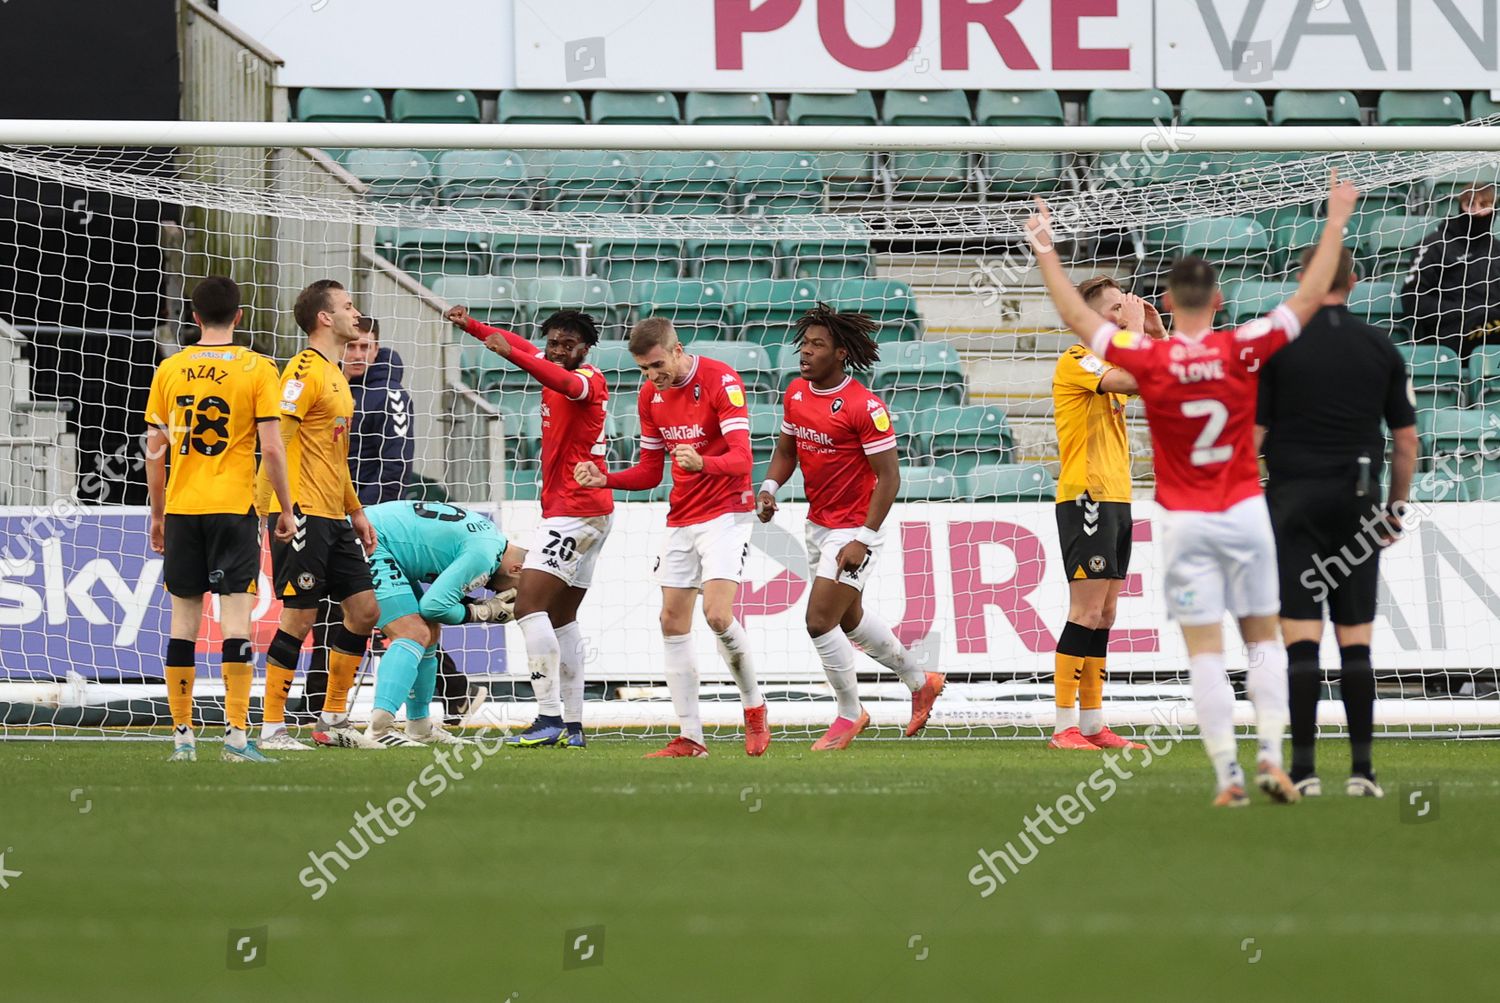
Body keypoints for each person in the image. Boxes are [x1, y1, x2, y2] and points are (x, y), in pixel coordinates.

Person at [1025, 169, 1359, 807]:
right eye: (1119, 306)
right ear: (1218, 302)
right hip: (1202, 505)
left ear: (1168, 302)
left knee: (1169, 636)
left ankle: (1208, 766)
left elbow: (1080, 317)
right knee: (1259, 639)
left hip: (1170, 513)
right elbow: (1309, 298)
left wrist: (1046, 247)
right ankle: (1259, 753)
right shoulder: (1229, 348)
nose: (1127, 309)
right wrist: (1336, 218)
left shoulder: (1152, 357)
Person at [1256, 246, 1419, 799]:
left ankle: (1303, 770)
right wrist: (1393, 509)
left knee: (1301, 643)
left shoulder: (1279, 346)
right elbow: (1406, 442)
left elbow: (1253, 437)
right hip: (1357, 503)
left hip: (1294, 504)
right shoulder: (1380, 347)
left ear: (1303, 277)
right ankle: (1363, 773)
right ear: (1354, 280)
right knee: (1356, 644)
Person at [575, 318, 769, 759]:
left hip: (728, 512)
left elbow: (742, 459)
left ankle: (754, 707)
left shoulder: (721, 379)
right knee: (670, 621)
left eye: (657, 365)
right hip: (682, 516)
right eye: (643, 369)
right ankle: (691, 737)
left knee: (718, 617)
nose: (652, 376)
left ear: (677, 349)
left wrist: (704, 464)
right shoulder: (650, 396)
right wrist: (602, 479)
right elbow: (648, 472)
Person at [757, 305, 945, 750]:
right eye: (804, 344)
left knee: (819, 621)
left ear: (840, 353)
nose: (805, 352)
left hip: (855, 529)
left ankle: (849, 713)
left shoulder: (865, 407)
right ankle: (921, 681)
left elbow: (890, 477)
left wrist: (863, 537)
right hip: (817, 524)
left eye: (817, 345)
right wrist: (768, 487)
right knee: (850, 617)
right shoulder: (797, 394)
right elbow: (787, 451)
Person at [143, 275, 296, 763]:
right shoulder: (257, 367)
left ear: (193, 317)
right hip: (234, 508)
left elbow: (154, 451)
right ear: (239, 316)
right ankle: (234, 736)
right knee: (236, 623)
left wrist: (158, 515)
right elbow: (272, 447)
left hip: (185, 510)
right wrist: (286, 508)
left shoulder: (171, 368)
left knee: (182, 624)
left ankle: (183, 737)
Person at [445, 305, 611, 749]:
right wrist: (474, 327)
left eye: (567, 345)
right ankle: (573, 726)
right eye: (552, 343)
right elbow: (521, 346)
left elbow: (556, 377)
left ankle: (549, 716)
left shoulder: (585, 381)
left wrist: (517, 357)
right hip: (585, 512)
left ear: (586, 348)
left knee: (527, 607)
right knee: (561, 618)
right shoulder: (551, 363)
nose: (557, 352)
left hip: (575, 513)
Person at [254, 278, 381, 752]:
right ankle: (271, 728)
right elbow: (275, 443)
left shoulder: (339, 378)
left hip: (334, 514)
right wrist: (280, 508)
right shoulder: (302, 371)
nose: (356, 314)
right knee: (299, 619)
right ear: (325, 318)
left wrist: (356, 511)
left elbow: (336, 455)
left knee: (364, 611)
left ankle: (331, 721)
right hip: (301, 512)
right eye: (348, 306)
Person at [1047, 277, 1164, 752]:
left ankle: (1093, 723)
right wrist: (1137, 331)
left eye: (1126, 305)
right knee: (1086, 610)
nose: (1124, 311)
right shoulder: (1078, 360)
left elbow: (1163, 380)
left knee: (1106, 613)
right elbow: (1137, 378)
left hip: (1117, 497)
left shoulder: (1113, 359)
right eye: (1115, 307)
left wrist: (1156, 338)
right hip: (1087, 498)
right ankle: (1062, 727)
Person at [303, 316, 416, 720]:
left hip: (369, 521)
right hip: (327, 513)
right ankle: (317, 700)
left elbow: (396, 464)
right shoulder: (328, 388)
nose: (356, 354)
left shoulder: (390, 395)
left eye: (365, 347)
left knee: (386, 614)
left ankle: (454, 687)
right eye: (351, 347)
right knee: (325, 608)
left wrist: (369, 516)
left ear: (377, 350)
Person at [360, 500, 525, 747]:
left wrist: (477, 607)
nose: (501, 596)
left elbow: (435, 608)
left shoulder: (490, 541)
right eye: (514, 592)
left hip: (377, 537)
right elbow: (434, 605)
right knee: (412, 632)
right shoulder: (484, 556)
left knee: (429, 630)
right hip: (369, 540)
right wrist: (483, 612)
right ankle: (379, 728)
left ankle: (419, 726)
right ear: (517, 569)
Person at [1403, 182, 1500, 357]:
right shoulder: (1435, 245)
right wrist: (1463, 312)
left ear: (1494, 210)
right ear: (1460, 207)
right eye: (1470, 204)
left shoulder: (1497, 250)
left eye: (1484, 205)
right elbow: (1412, 299)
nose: (1476, 211)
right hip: (1452, 336)